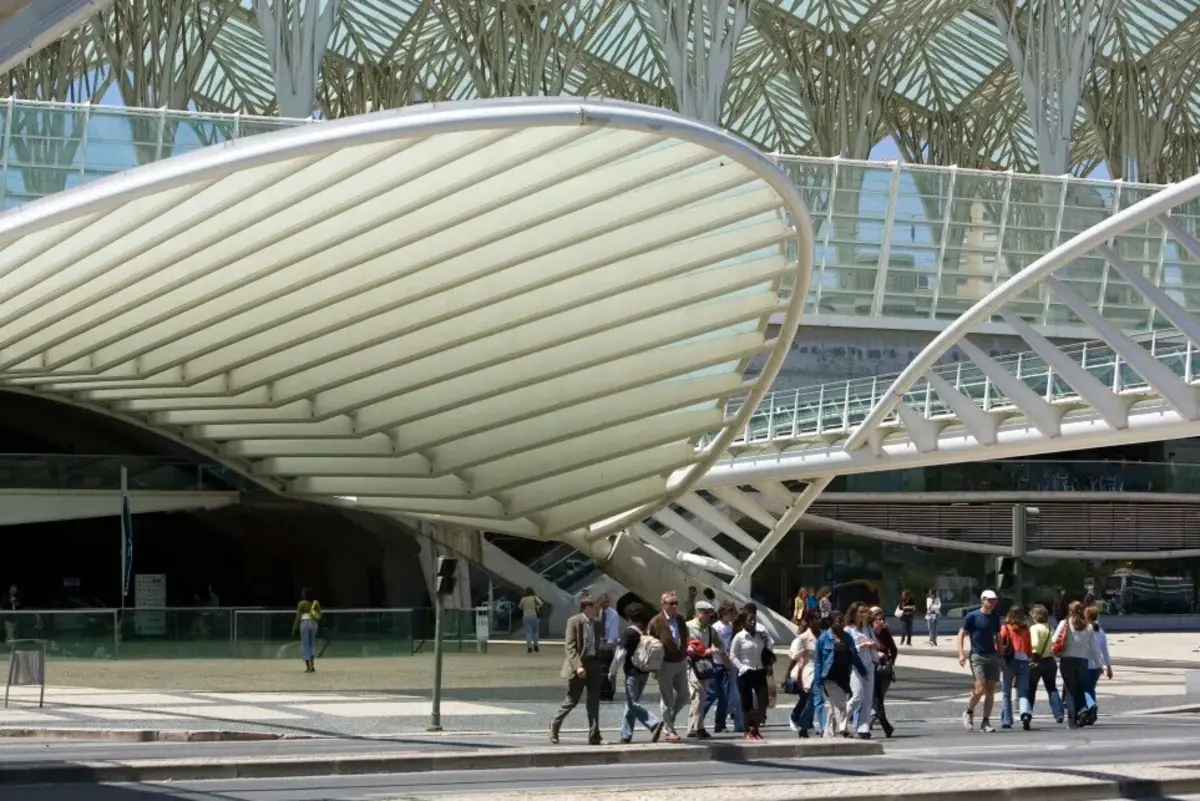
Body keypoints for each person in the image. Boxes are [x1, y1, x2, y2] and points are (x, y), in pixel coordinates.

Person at [550, 597, 605, 745]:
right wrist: (578, 666)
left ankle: (594, 734)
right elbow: (570, 646)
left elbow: (598, 644)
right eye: (595, 607)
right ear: (587, 607)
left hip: (593, 664)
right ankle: (555, 724)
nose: (598, 610)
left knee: (594, 701)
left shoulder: (598, 624)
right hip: (579, 665)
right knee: (572, 700)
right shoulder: (574, 621)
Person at [609, 602, 664, 744]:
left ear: (628, 617)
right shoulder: (645, 631)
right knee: (631, 704)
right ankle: (626, 735)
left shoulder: (628, 632)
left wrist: (612, 671)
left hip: (632, 672)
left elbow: (620, 654)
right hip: (644, 672)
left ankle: (654, 723)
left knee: (632, 704)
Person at [812, 611, 868, 739]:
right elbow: (818, 661)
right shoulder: (823, 639)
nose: (842, 624)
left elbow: (855, 656)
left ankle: (828, 732)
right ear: (831, 623)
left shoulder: (847, 637)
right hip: (830, 676)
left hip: (844, 675)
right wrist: (818, 680)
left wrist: (862, 670)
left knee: (836, 704)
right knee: (839, 704)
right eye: (838, 621)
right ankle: (843, 728)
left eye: (843, 621)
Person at [1053, 600, 1107, 729]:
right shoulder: (1088, 627)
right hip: (1082, 661)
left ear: (1070, 611)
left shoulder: (1065, 623)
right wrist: (1100, 665)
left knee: (1070, 691)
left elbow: (1054, 639)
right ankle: (1082, 710)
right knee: (1080, 689)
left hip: (1067, 660)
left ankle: (1072, 722)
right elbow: (1094, 648)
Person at [646, 591, 689, 742]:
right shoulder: (656, 622)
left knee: (684, 695)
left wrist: (686, 651)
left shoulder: (681, 620)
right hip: (664, 664)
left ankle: (668, 719)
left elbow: (685, 637)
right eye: (671, 603)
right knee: (667, 698)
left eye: (676, 602)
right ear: (663, 604)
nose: (675, 606)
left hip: (680, 662)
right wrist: (653, 667)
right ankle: (669, 730)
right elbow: (648, 645)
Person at [957, 589, 1002, 733]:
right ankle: (969, 711)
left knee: (990, 691)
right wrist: (961, 654)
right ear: (983, 600)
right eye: (990, 600)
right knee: (979, 689)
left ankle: (985, 721)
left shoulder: (995, 617)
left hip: (992, 655)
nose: (993, 602)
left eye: (994, 600)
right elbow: (961, 634)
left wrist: (1000, 655)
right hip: (977, 656)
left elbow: (998, 636)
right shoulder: (972, 616)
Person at [728, 604, 773, 740]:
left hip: (759, 671)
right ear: (743, 622)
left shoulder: (760, 635)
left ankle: (756, 730)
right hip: (746, 672)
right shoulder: (740, 637)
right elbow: (732, 655)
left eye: (754, 620)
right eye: (749, 620)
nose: (753, 622)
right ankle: (746, 730)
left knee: (763, 703)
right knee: (746, 704)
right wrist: (741, 667)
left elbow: (770, 646)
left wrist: (767, 642)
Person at [702, 601, 743, 733]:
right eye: (731, 613)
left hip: (727, 664)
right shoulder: (716, 627)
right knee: (711, 694)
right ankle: (698, 719)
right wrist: (728, 665)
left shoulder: (731, 626)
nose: (733, 616)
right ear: (724, 613)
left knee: (724, 695)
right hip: (717, 663)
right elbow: (719, 648)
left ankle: (720, 723)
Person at [685, 599, 723, 738]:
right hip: (691, 664)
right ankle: (699, 727)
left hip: (705, 666)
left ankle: (691, 728)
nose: (708, 616)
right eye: (705, 613)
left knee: (699, 696)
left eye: (709, 613)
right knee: (698, 694)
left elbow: (721, 645)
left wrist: (712, 650)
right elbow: (678, 643)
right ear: (697, 613)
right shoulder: (687, 627)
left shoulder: (711, 630)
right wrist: (688, 648)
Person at [1027, 604, 1064, 724]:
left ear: (1035, 616)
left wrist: (1032, 654)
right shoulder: (1050, 628)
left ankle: (1027, 713)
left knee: (1031, 689)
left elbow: (1035, 644)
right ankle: (1058, 713)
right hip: (1050, 660)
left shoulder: (1034, 628)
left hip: (1037, 660)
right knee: (1052, 688)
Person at [844, 603, 877, 739]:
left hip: (869, 664)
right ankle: (840, 718)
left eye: (865, 611)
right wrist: (862, 645)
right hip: (855, 666)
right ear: (853, 613)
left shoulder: (868, 628)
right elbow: (847, 649)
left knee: (868, 698)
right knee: (857, 696)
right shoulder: (848, 630)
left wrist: (872, 644)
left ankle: (864, 726)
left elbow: (875, 643)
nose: (864, 614)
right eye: (861, 612)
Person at [787, 610, 821, 738]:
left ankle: (806, 724)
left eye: (819, 618)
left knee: (812, 700)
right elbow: (795, 658)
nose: (818, 621)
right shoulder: (804, 638)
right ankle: (799, 721)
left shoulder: (823, 636)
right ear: (810, 621)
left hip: (820, 671)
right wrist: (787, 675)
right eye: (815, 619)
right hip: (807, 671)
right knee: (809, 699)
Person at [998, 606, 1033, 730]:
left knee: (1006, 692)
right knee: (1023, 691)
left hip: (1009, 661)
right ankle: (1025, 714)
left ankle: (1007, 720)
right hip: (1023, 661)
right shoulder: (1025, 629)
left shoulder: (1005, 628)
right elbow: (1029, 647)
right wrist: (1029, 657)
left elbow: (999, 642)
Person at [1082, 605, 1113, 726]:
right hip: (1097, 666)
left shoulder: (1085, 630)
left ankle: (1090, 706)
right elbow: (1105, 650)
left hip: (1086, 664)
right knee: (1090, 689)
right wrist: (1108, 667)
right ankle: (1091, 709)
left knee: (1084, 689)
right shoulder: (1100, 631)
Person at [870, 606, 897, 737]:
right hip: (871, 668)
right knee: (876, 698)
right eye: (878, 620)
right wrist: (876, 654)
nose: (880, 622)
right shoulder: (868, 632)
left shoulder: (885, 632)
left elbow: (894, 649)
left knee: (878, 698)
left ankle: (873, 718)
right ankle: (883, 724)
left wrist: (890, 663)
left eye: (882, 619)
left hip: (884, 669)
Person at [291, 588, 322, 673]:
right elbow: (319, 615)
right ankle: (313, 665)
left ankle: (308, 667)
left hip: (304, 623)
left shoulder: (301, 603)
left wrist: (294, 628)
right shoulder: (316, 603)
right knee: (312, 644)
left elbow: (298, 617)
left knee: (305, 645)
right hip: (314, 623)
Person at [598, 594, 621, 701]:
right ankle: (600, 690)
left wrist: (609, 645)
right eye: (600, 603)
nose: (602, 606)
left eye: (604, 603)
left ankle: (609, 691)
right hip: (598, 643)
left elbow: (613, 631)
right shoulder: (597, 613)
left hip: (609, 644)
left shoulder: (613, 614)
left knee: (609, 669)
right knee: (599, 669)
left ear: (608, 602)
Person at [518, 588, 543, 654]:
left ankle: (529, 647)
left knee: (528, 632)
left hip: (526, 616)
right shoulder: (534, 597)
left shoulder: (523, 598)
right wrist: (536, 607)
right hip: (534, 615)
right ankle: (536, 646)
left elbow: (520, 607)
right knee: (535, 631)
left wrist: (525, 607)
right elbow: (541, 603)